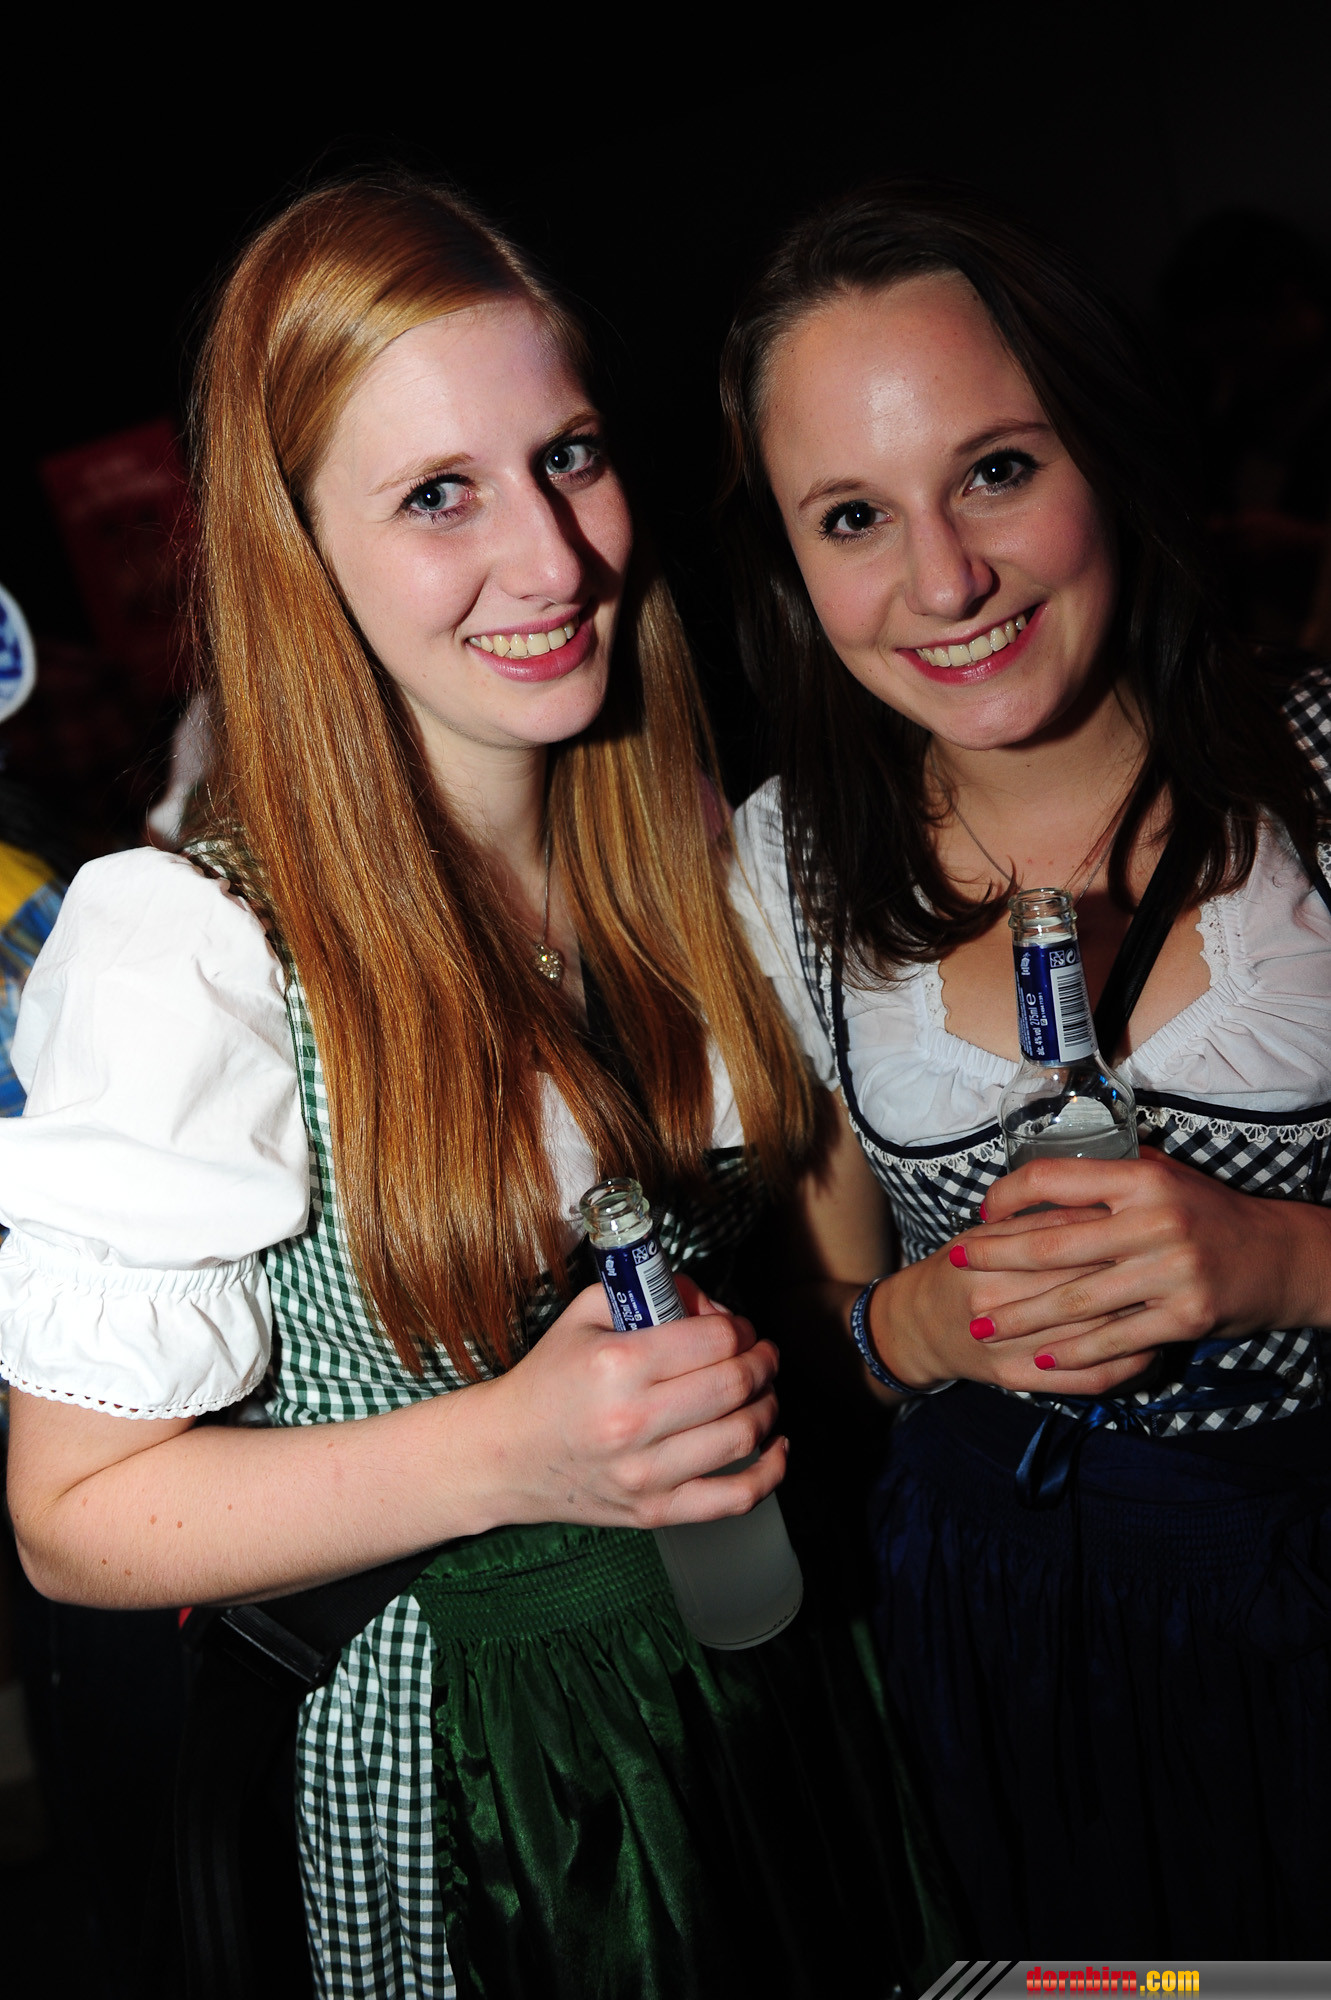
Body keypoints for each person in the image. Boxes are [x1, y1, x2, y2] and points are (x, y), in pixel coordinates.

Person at [0, 178, 950, 2000]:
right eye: (438, 494)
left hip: (776, 1704)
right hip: (495, 1803)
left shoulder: (678, 858)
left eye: (567, 457)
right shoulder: (192, 948)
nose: (555, 557)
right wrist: (509, 1450)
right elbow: (72, 1514)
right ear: (298, 553)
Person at [720, 180, 1331, 1958]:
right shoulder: (781, 867)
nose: (945, 580)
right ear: (789, 561)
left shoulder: (1315, 778)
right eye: (853, 514)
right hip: (1000, 1641)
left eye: (995, 469)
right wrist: (912, 1328)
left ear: (1107, 449)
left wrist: (1291, 1262)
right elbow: (806, 1313)